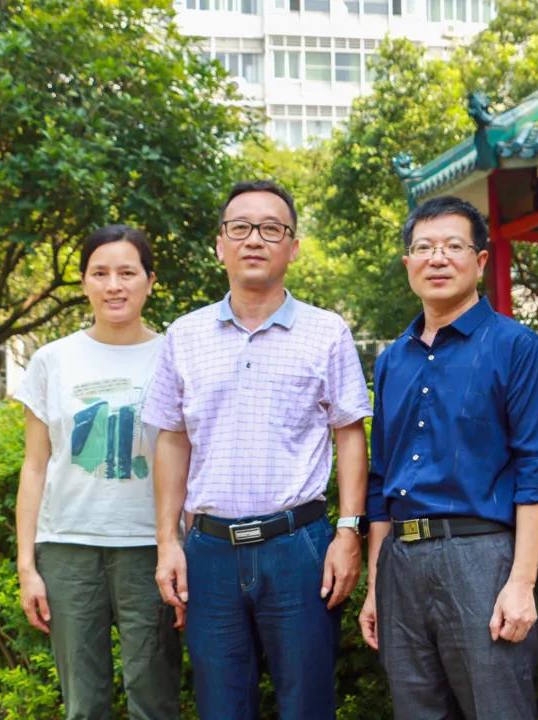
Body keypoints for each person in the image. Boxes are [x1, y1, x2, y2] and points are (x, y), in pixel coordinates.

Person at [143, 180, 371, 720]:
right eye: (240, 227)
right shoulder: (184, 335)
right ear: (219, 245)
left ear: (293, 247)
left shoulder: (327, 332)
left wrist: (349, 531)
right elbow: (172, 438)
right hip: (209, 551)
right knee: (220, 706)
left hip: (299, 547)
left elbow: (349, 432)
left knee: (307, 706)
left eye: (271, 229)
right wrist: (168, 542)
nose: (254, 240)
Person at [358, 196, 538, 719]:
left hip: (481, 559)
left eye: (453, 246)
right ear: (408, 262)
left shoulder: (516, 347)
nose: (437, 258)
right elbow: (381, 479)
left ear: (480, 260)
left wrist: (521, 583)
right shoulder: (392, 361)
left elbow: (537, 469)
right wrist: (375, 585)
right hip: (400, 564)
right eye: (424, 247)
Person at [15, 225, 180, 720]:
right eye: (100, 273)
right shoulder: (52, 360)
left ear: (150, 281)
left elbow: (189, 459)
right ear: (84, 281)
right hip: (68, 548)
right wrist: (27, 565)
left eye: (127, 273)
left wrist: (180, 545)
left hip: (149, 548)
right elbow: (34, 466)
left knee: (154, 698)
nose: (114, 285)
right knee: (83, 705)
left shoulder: (174, 356)